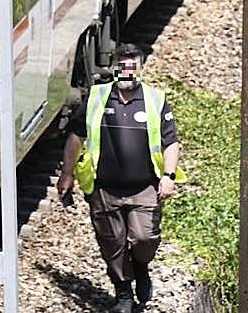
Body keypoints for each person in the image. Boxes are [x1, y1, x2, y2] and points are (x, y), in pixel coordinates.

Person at [57, 43, 183, 313]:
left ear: (141, 68)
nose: (126, 71)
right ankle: (123, 293)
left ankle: (140, 265)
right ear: (114, 67)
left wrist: (168, 176)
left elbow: (170, 142)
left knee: (144, 238)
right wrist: (66, 174)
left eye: (132, 65)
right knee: (112, 242)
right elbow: (75, 137)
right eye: (122, 65)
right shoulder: (96, 98)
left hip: (144, 187)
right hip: (104, 187)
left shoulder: (155, 100)